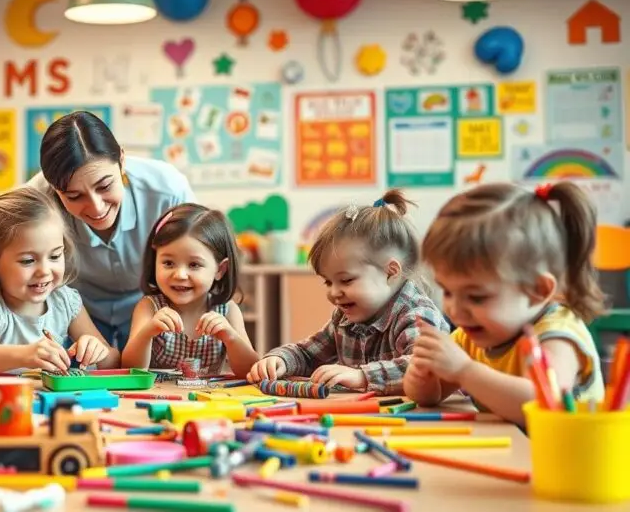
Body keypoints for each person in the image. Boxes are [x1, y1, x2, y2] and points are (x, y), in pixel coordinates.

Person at [405, 182, 606, 425]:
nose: (455, 310)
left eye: (476, 297)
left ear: (538, 290)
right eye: (447, 292)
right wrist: (421, 375)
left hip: (571, 459)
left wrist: (464, 371)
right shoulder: (472, 337)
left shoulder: (558, 335)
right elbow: (432, 397)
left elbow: (543, 403)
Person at [248, 191, 450, 395]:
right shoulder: (345, 319)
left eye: (346, 280)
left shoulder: (417, 314)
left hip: (422, 421)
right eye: (328, 282)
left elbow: (425, 366)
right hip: (368, 419)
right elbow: (308, 354)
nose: (334, 292)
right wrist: (280, 360)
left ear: (390, 272)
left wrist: (362, 376)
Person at [29, 111, 195, 351]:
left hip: (153, 307)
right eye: (74, 196)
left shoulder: (168, 189)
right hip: (77, 314)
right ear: (54, 188)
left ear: (122, 161)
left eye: (105, 186)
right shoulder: (37, 200)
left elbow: (202, 255)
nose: (96, 208)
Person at [0, 187, 120, 376]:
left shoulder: (65, 301)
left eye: (54, 256)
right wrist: (26, 355)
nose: (44, 271)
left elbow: (113, 361)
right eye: (28, 260)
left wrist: (97, 351)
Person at [122, 204, 259, 377]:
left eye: (194, 265)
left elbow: (249, 371)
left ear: (220, 270)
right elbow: (130, 369)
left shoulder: (228, 310)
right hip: (160, 400)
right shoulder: (149, 307)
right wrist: (148, 332)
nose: (179, 274)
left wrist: (230, 337)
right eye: (168, 263)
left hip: (209, 401)